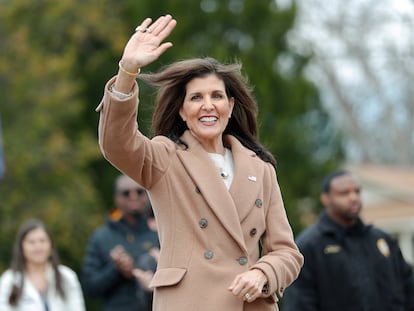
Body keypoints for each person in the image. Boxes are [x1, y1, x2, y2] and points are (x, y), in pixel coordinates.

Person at [95, 14, 303, 311]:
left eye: (217, 96)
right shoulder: (164, 157)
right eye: (196, 98)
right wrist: (128, 70)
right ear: (181, 110)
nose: (208, 105)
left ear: (230, 106)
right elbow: (117, 144)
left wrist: (262, 273)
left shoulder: (261, 169)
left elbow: (286, 252)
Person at [283, 169, 414, 311]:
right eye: (344, 193)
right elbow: (298, 303)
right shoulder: (308, 246)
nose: (353, 197)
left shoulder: (383, 241)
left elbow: (408, 287)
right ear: (326, 198)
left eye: (357, 192)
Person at [81, 174, 159, 311]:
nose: (133, 197)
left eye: (139, 192)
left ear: (147, 195)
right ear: (116, 198)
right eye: (126, 193)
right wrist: (116, 269)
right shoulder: (101, 237)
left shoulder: (160, 234)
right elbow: (90, 288)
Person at [0, 218, 86, 311]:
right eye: (31, 242)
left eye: (42, 241)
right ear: (21, 247)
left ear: (51, 245)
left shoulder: (67, 276)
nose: (38, 246)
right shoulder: (9, 281)